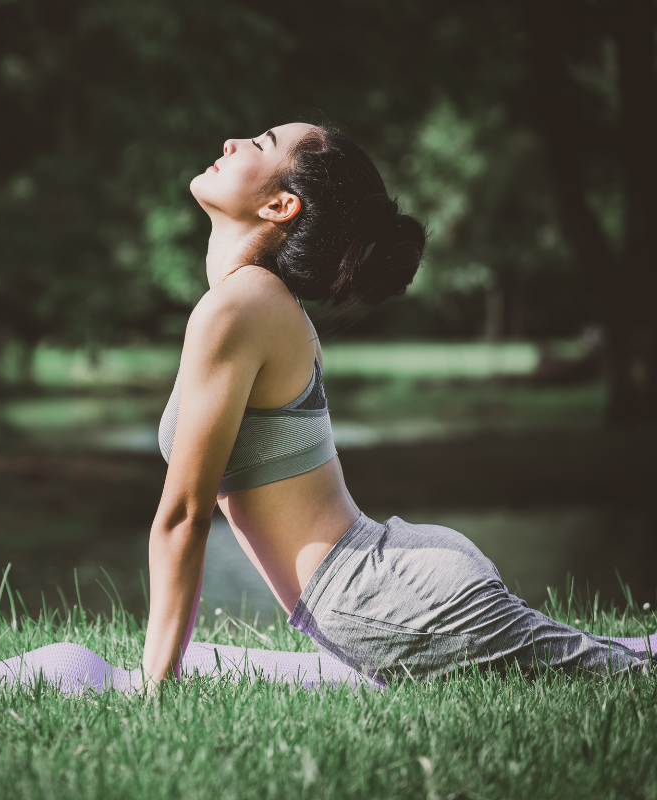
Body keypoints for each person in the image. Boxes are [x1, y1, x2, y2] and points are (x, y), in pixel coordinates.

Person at [141, 123, 649, 689]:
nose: (232, 143)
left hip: (383, 597)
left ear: (282, 205)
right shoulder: (253, 302)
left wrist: (156, 690)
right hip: (390, 581)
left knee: (627, 675)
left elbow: (185, 517)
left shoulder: (242, 306)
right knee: (623, 663)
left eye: (260, 144)